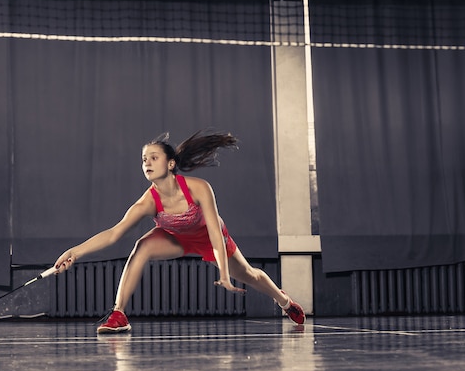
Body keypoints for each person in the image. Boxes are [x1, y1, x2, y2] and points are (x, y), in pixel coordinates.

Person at [53, 130, 305, 333]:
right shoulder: (147, 202)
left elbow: (216, 234)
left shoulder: (199, 188)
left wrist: (225, 274)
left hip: (209, 236)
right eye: (144, 159)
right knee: (141, 246)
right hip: (175, 239)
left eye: (153, 157)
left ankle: (283, 301)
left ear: (171, 163)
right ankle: (119, 313)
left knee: (248, 274)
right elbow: (114, 233)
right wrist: (74, 252)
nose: (147, 163)